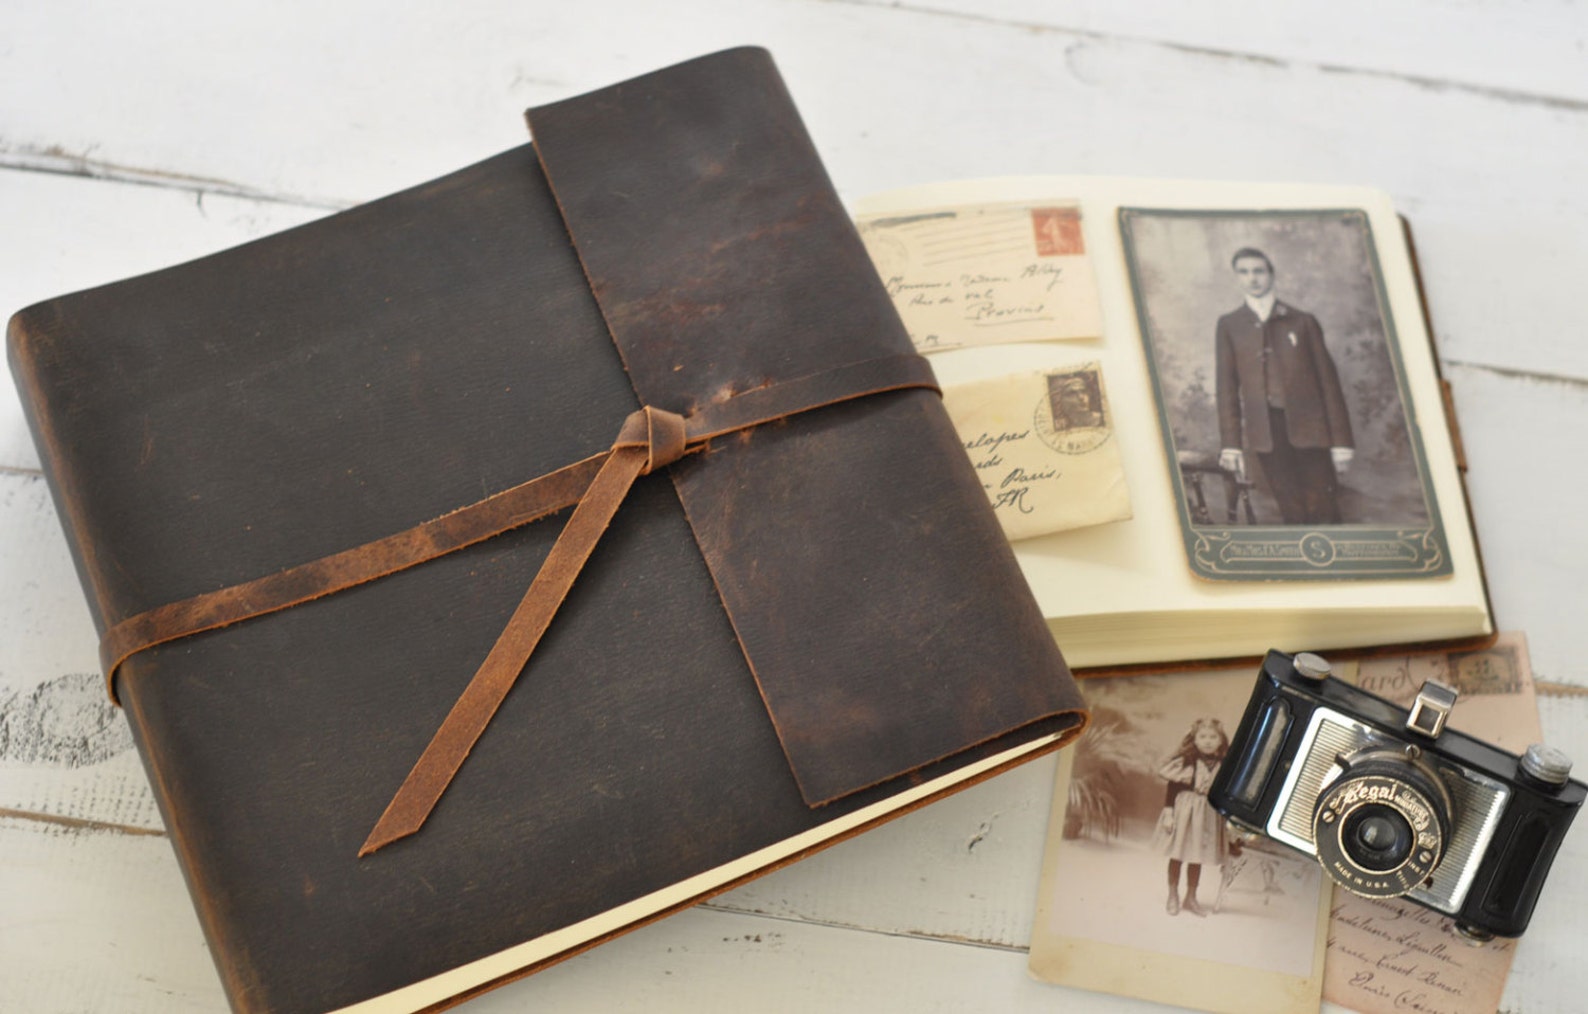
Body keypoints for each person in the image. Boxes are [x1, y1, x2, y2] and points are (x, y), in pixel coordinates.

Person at [1215, 248, 1354, 525]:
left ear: (1271, 275)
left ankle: (1338, 564)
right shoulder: (1230, 325)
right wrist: (1231, 445)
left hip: (1311, 430)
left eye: (1259, 271)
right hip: (1266, 433)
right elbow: (1226, 388)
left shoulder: (1302, 321)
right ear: (1236, 277)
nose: (1252, 278)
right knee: (1291, 509)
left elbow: (1329, 384)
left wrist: (1341, 443)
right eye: (1244, 272)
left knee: (1324, 506)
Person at [1154, 717, 1229, 917]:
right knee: (1178, 854)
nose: (1207, 741)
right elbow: (1173, 787)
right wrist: (1169, 813)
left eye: (1213, 737)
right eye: (1202, 736)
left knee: (1197, 856)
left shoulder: (1224, 763)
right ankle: (1173, 895)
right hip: (1185, 810)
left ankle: (1191, 897)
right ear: (1194, 739)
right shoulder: (1187, 761)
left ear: (1221, 740)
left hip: (1207, 813)